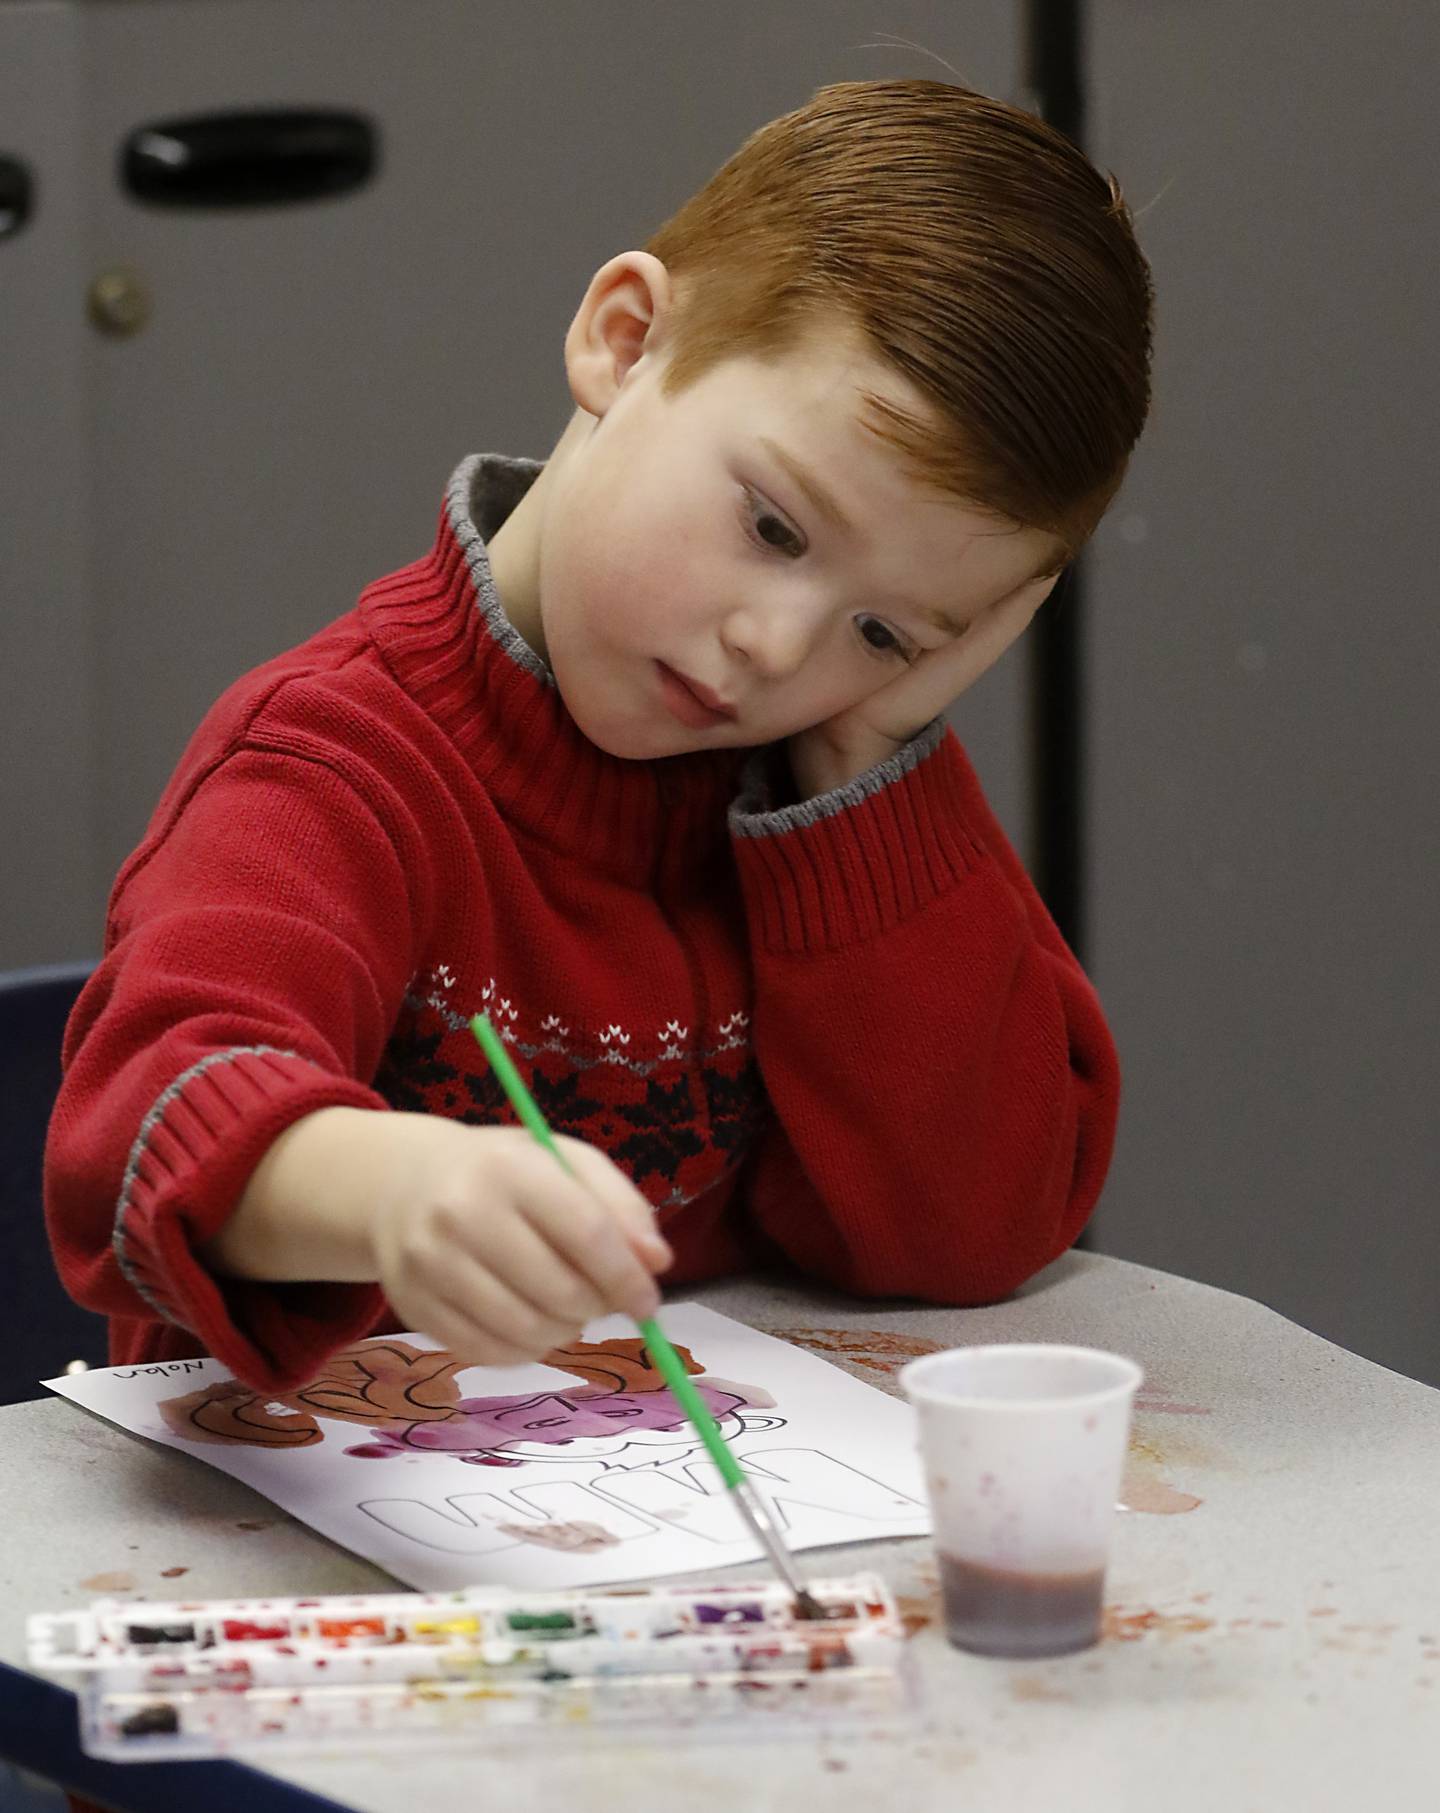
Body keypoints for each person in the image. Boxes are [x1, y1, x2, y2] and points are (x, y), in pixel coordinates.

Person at [45, 80, 1154, 1398]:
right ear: (626, 342)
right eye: (776, 528)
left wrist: (868, 766)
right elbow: (137, 1124)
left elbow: (983, 1227)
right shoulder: (328, 762)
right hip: (313, 1565)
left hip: (692, 1554)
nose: (780, 649)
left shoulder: (807, 776)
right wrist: (393, 1185)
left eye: (887, 632)